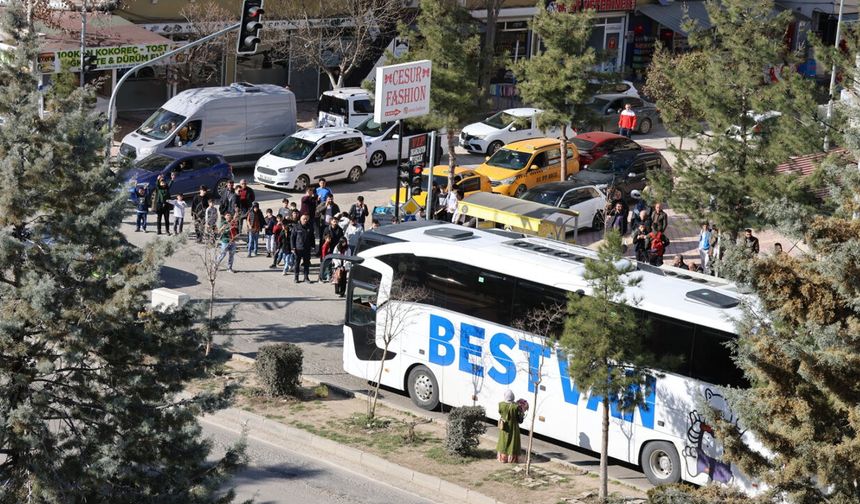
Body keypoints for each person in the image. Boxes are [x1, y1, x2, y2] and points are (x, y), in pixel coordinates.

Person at [496, 390, 522, 464]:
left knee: (503, 441)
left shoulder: (501, 404)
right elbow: (519, 418)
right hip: (514, 427)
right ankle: (512, 459)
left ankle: (503, 459)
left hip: (504, 427)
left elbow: (500, 412)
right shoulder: (516, 406)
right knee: (513, 442)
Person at [290, 214, 314, 283]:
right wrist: (293, 247)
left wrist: (313, 246)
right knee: (297, 263)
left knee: (306, 264)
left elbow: (312, 237)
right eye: (304, 219)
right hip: (298, 249)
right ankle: (296, 277)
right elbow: (292, 238)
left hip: (307, 249)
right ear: (300, 219)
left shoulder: (310, 227)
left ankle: (306, 277)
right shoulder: (296, 227)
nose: (305, 220)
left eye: (306, 219)